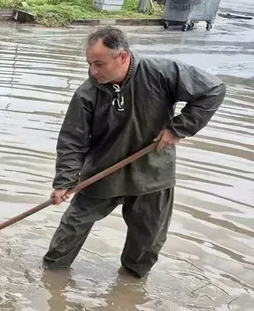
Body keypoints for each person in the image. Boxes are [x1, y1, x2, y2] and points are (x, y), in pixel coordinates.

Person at [43, 26, 225, 278]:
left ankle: (129, 289)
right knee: (72, 227)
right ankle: (52, 274)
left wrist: (178, 128)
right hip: (103, 172)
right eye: (90, 64)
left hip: (153, 172)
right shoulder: (87, 93)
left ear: (123, 57)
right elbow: (73, 141)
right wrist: (64, 181)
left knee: (147, 240)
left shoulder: (161, 73)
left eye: (99, 64)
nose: (93, 72)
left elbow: (213, 90)